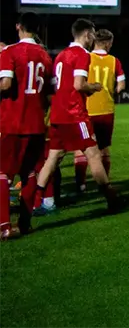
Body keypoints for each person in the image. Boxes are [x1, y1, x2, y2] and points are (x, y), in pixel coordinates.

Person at [32, 19, 121, 216]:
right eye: (93, 34)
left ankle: (35, 202)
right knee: (94, 155)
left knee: (53, 157)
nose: (93, 38)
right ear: (87, 34)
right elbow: (78, 84)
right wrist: (94, 87)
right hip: (75, 114)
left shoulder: (61, 55)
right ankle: (111, 198)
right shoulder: (82, 54)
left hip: (58, 114)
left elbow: (58, 86)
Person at [0, 12, 53, 239]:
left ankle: (4, 226)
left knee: (3, 173)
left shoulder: (9, 52)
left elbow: (5, 84)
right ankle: (24, 223)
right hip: (37, 124)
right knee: (29, 172)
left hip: (13, 123)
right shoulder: (45, 55)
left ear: (18, 26)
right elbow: (50, 94)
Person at [76, 29, 125, 192]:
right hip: (106, 110)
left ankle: (81, 184)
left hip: (86, 109)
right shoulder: (114, 61)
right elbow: (121, 85)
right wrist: (111, 92)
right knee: (103, 148)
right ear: (108, 43)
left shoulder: (86, 57)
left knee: (81, 148)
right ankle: (104, 184)